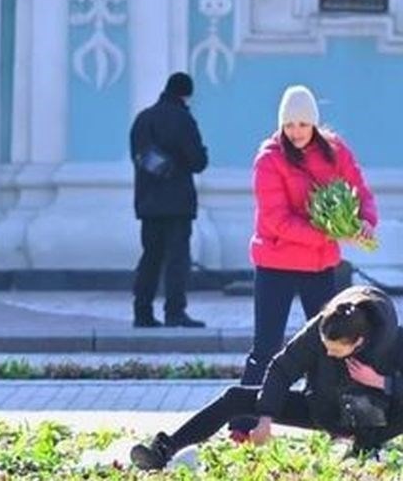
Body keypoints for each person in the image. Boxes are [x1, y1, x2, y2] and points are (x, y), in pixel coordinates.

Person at [132, 285, 403, 469]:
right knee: (235, 398)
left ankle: (365, 452)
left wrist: (383, 382)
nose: (328, 353)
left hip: (373, 421)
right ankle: (163, 450)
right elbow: (282, 368)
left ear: (359, 342)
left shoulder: (393, 340)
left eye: (336, 350)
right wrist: (265, 418)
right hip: (321, 407)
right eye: (325, 347)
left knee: (376, 402)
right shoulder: (322, 329)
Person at [239, 85, 377, 391]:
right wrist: (331, 233)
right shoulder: (269, 159)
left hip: (318, 267)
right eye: (288, 125)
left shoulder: (335, 150)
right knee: (266, 346)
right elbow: (276, 221)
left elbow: (359, 190)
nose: (295, 131)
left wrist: (365, 220)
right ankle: (243, 425)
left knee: (329, 343)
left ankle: (329, 419)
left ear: (313, 123)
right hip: (276, 264)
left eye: (302, 124)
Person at [128, 72, 209, 328]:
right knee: (177, 261)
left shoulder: (143, 119)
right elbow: (198, 162)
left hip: (149, 204)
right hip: (178, 204)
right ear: (186, 95)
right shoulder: (184, 120)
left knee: (150, 258)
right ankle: (175, 312)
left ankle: (142, 312)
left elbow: (139, 157)